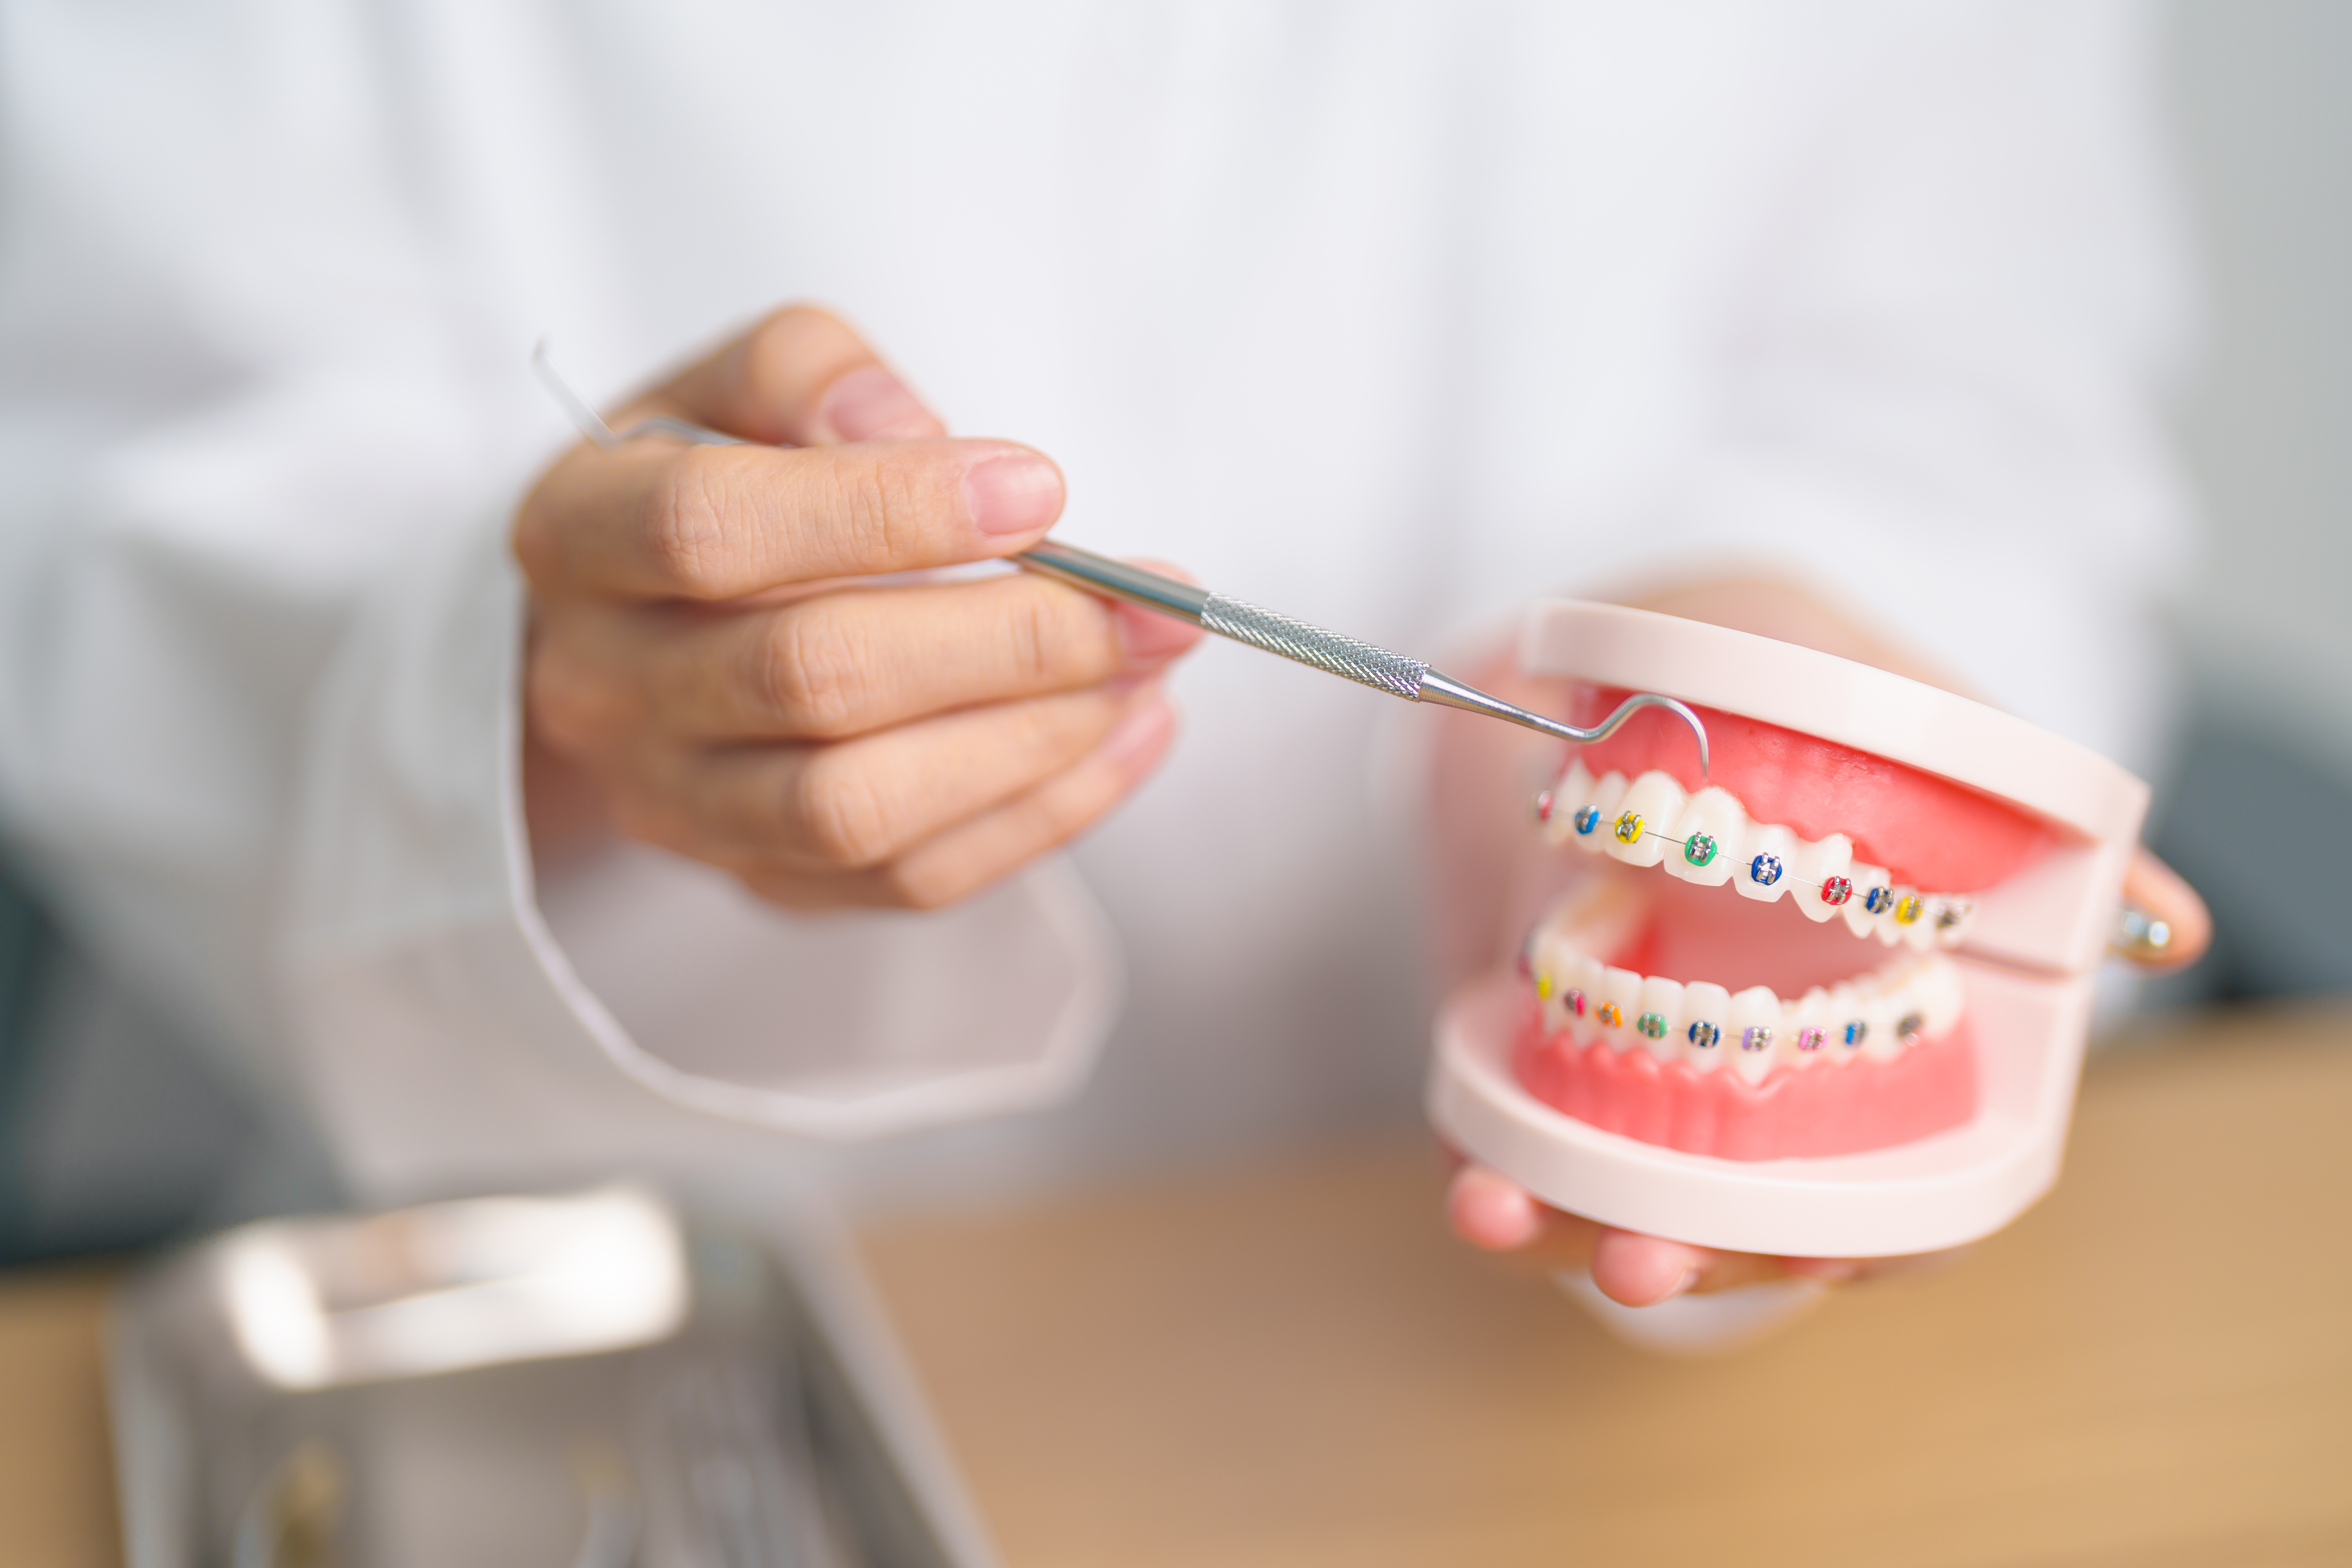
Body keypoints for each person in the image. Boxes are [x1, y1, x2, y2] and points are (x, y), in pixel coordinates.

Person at [0, 1, 2206, 1307]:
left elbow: (1970, 395)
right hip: (675, 1301)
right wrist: (542, 708)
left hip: (1528, 1373)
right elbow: (110, 476)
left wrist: (1800, 686)